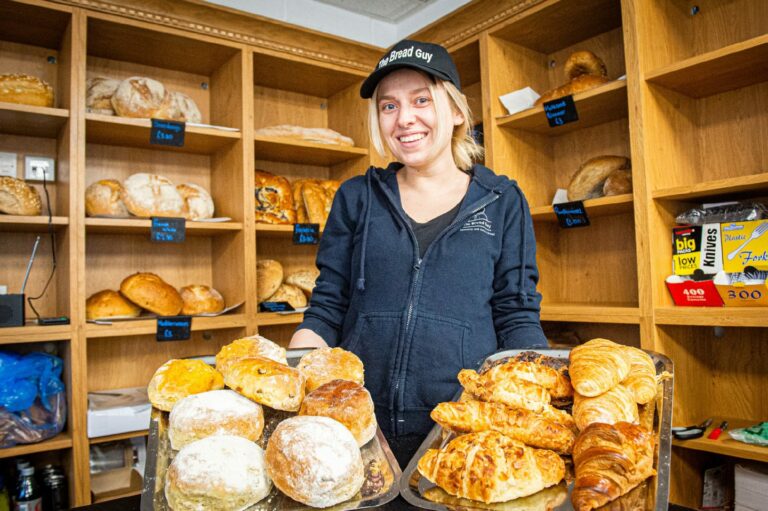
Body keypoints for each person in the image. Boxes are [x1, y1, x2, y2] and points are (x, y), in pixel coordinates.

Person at [289, 39, 547, 467]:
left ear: (457, 111)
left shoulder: (502, 200)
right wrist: (293, 385)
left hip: (465, 432)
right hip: (359, 431)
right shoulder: (357, 197)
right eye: (388, 106)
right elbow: (327, 309)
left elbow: (517, 314)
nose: (404, 119)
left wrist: (536, 407)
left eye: (421, 100)